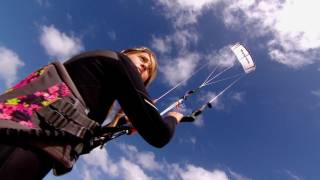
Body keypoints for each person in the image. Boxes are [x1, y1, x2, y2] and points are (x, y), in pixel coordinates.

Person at [0, 47, 184, 179]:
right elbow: (159, 134)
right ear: (127, 53)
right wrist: (173, 118)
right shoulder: (117, 61)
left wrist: (123, 127)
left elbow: (81, 141)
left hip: (22, 136)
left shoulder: (93, 91)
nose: (144, 68)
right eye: (143, 59)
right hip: (23, 141)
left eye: (148, 72)